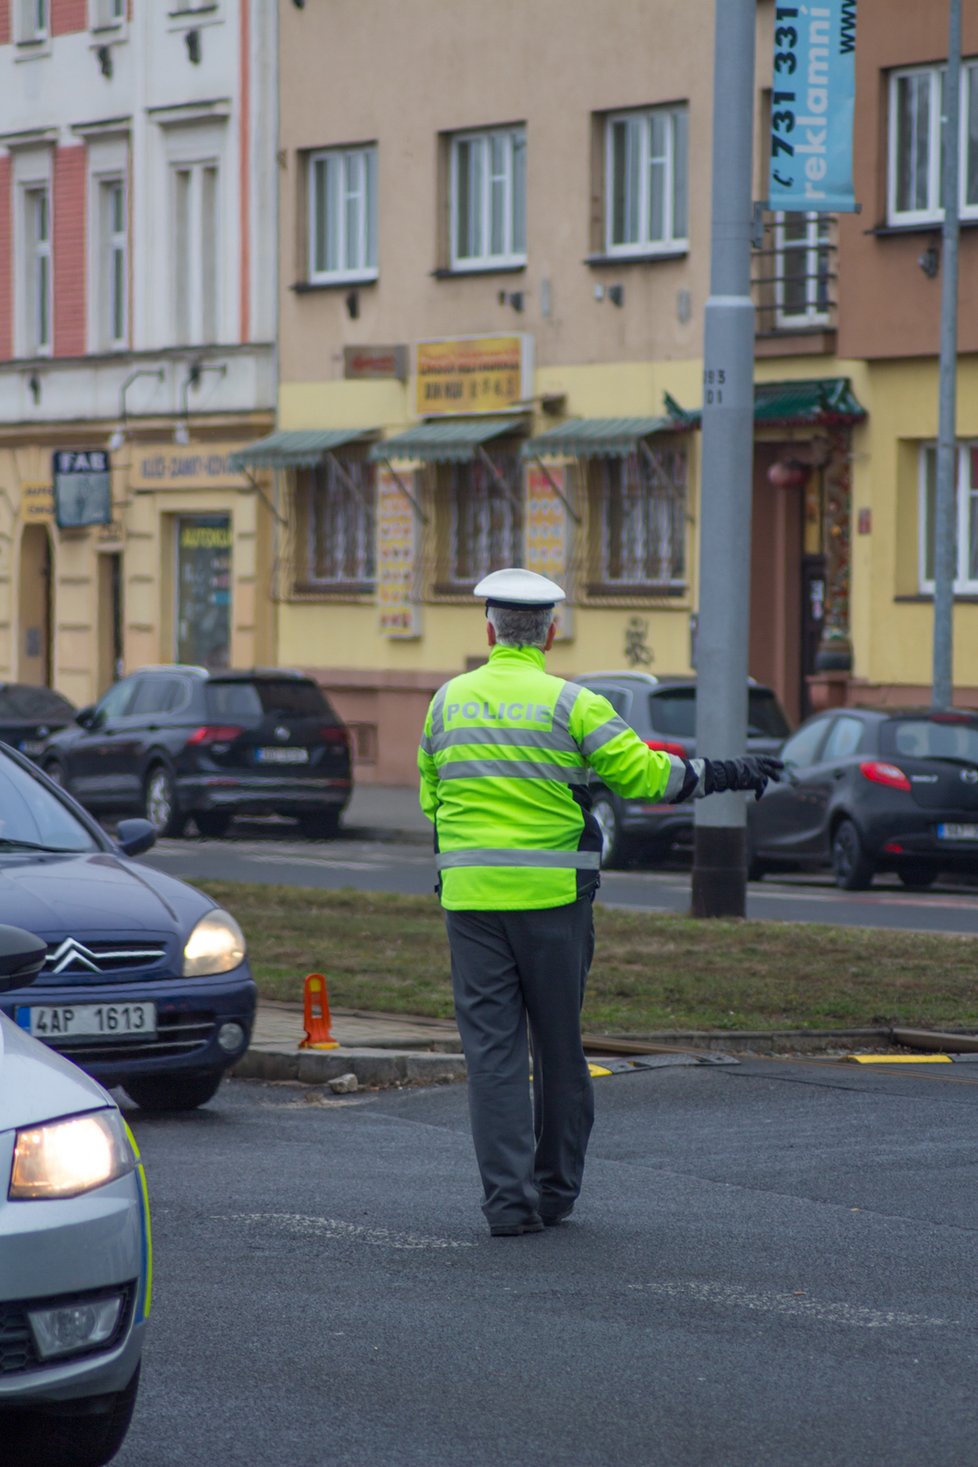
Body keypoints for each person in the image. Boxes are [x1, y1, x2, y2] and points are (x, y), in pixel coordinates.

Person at [417, 568, 782, 1238]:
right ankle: (554, 1192)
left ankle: (506, 1203)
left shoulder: (446, 702)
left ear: (488, 629)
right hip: (554, 901)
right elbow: (643, 774)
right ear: (551, 632)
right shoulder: (573, 704)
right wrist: (723, 773)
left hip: (468, 901)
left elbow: (430, 795)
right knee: (558, 1047)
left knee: (493, 1056)